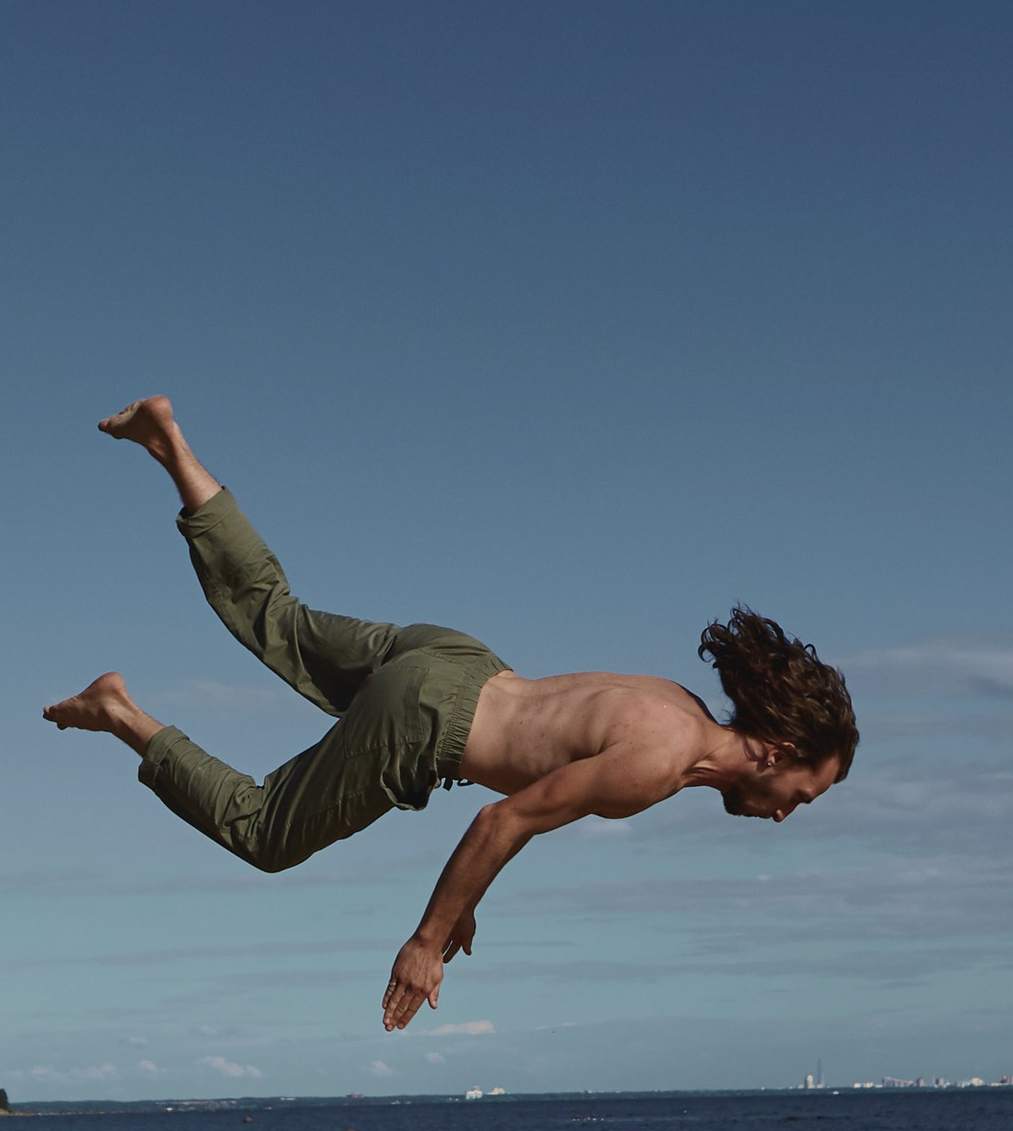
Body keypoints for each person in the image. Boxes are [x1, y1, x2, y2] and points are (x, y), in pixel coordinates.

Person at [45, 398, 857, 1033]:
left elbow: (528, 762)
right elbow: (502, 822)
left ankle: (169, 444)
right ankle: (122, 713)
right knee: (264, 832)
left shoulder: (675, 704)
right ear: (779, 747)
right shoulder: (658, 765)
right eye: (801, 793)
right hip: (430, 719)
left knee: (281, 619)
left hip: (463, 660)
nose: (786, 813)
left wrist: (463, 903)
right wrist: (425, 943)